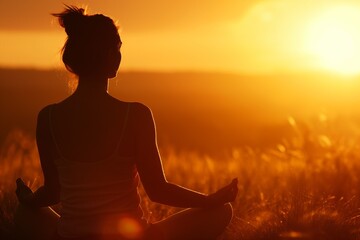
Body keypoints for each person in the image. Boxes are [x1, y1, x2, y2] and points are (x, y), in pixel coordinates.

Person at [14, 5, 238, 240]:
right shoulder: (136, 115)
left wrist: (29, 200)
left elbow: (52, 192)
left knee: (24, 212)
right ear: (111, 54)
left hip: (70, 235)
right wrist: (209, 200)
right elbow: (158, 190)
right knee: (222, 211)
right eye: (118, 47)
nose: (119, 55)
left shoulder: (47, 117)